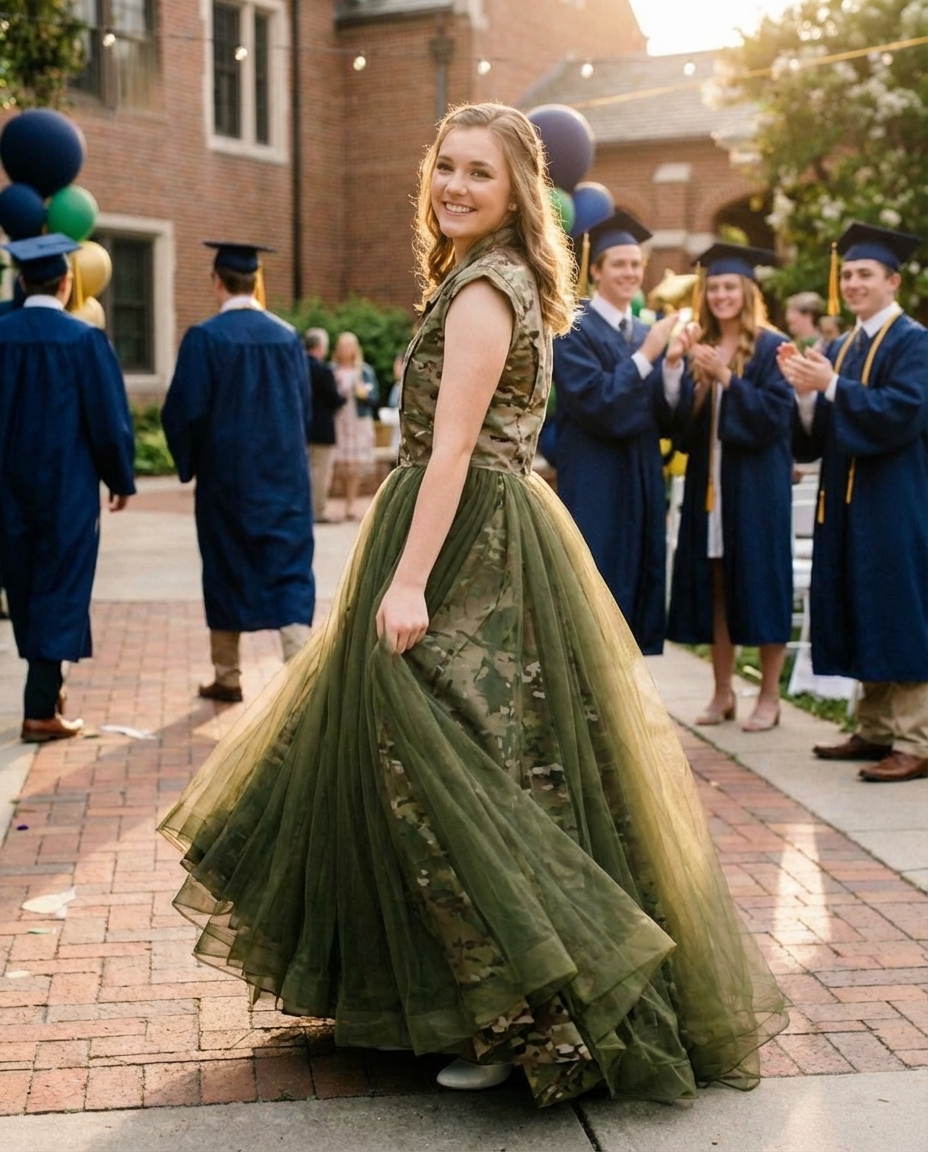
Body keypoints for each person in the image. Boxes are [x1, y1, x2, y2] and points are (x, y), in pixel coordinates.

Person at [158, 103, 785, 1108]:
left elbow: (451, 449)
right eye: (443, 165)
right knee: (481, 760)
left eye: (478, 174)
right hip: (481, 524)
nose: (453, 185)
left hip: (464, 542)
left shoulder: (484, 292)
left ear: (514, 193)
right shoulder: (491, 279)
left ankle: (524, 1012)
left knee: (452, 764)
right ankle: (468, 994)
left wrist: (407, 581)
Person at [780, 222, 928, 782]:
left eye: (866, 273)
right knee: (863, 600)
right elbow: (817, 439)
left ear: (893, 281)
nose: (855, 282)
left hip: (895, 498)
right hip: (846, 500)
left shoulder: (915, 341)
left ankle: (916, 739)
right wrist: (805, 395)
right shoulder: (842, 346)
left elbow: (902, 413)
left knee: (900, 607)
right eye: (848, 274)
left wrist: (833, 386)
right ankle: (874, 730)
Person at [161, 241, 315, 705]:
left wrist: (190, 465)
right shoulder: (287, 338)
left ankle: (227, 674)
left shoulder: (206, 339)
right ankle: (302, 675)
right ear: (255, 280)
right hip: (284, 480)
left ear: (217, 282)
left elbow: (183, 413)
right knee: (287, 569)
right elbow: (302, 409)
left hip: (227, 482)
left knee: (225, 567)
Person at [0, 234, 136, 742]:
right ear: (66, 283)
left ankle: (47, 689)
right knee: (60, 586)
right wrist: (120, 478)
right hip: (66, 489)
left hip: (7, 489)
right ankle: (40, 708)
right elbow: (107, 420)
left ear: (20, 281)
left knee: (23, 584)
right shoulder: (83, 341)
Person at [553, 212, 698, 654]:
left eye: (636, 264)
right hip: (596, 475)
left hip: (641, 473)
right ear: (596, 269)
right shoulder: (572, 327)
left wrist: (672, 367)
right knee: (596, 580)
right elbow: (595, 402)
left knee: (638, 577)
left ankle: (629, 699)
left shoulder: (642, 330)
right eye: (619, 264)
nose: (630, 273)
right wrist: (650, 354)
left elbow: (665, 417)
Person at [667, 243, 793, 731]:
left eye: (729, 287)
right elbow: (680, 429)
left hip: (755, 489)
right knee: (716, 584)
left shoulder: (771, 347)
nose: (721, 295)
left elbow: (775, 418)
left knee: (761, 584)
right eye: (714, 287)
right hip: (710, 486)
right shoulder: (700, 341)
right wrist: (691, 379)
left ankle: (768, 696)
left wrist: (726, 378)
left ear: (747, 290)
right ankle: (721, 693)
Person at [331, 331, 378, 520]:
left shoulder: (365, 371)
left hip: (359, 420)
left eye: (349, 346)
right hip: (340, 419)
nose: (345, 350)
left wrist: (364, 394)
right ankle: (344, 500)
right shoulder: (332, 369)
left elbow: (374, 398)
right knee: (342, 464)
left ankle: (351, 503)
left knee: (355, 465)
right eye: (342, 346)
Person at [304, 327, 346, 523]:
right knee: (320, 472)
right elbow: (334, 400)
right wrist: (342, 393)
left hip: (301, 427)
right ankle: (317, 511)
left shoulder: (297, 366)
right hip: (321, 428)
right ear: (320, 346)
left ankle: (302, 508)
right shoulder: (323, 370)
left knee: (304, 469)